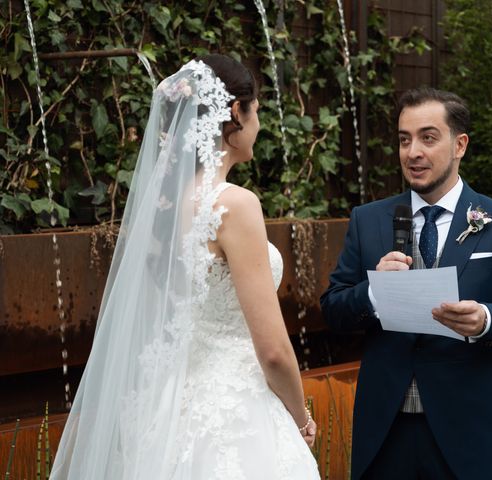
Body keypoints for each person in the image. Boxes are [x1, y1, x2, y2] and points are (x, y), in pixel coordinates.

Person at [51, 54, 320, 479]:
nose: (260, 124)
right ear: (236, 113)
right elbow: (272, 352)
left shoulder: (163, 209)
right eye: (258, 112)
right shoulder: (233, 204)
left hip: (169, 411)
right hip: (237, 415)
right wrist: (300, 415)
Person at [320, 87, 492, 479]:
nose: (413, 151)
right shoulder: (368, 220)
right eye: (404, 140)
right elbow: (334, 307)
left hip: (469, 437)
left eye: (428, 138)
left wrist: (485, 319)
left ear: (460, 144)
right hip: (385, 434)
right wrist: (374, 292)